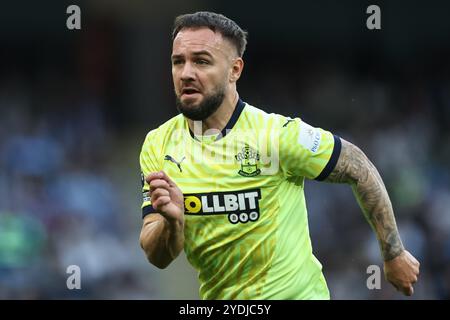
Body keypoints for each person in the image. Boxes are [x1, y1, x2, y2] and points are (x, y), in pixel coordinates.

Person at [138, 11, 420, 299]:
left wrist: (393, 253)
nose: (186, 73)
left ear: (235, 70)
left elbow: (358, 166)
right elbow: (158, 257)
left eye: (201, 61)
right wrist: (172, 223)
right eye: (178, 61)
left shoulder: (276, 135)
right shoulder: (158, 145)